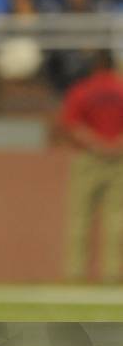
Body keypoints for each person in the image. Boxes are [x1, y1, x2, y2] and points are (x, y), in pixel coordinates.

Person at [61, 49, 123, 282]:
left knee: (80, 218)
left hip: (88, 158)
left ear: (95, 66)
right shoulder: (121, 88)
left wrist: (97, 144)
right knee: (117, 219)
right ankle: (113, 273)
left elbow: (72, 125)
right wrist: (115, 144)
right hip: (119, 159)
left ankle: (76, 274)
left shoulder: (82, 90)